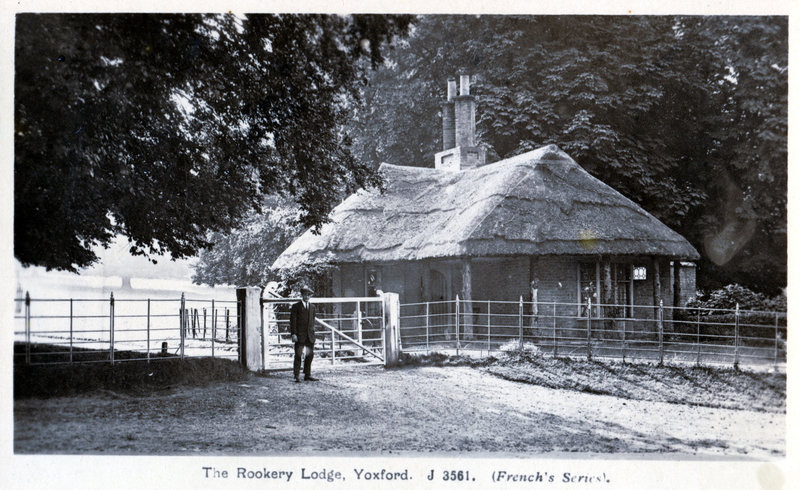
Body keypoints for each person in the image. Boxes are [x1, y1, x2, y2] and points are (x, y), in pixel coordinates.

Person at [290, 285, 318, 382]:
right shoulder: (296, 306)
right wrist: (294, 334)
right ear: (302, 295)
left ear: (310, 296)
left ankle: (307, 374)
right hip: (299, 335)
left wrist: (313, 333)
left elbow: (312, 321)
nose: (306, 297)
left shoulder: (313, 307)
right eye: (305, 295)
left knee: (309, 355)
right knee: (298, 355)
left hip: (310, 336)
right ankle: (296, 375)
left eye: (308, 295)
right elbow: (293, 321)